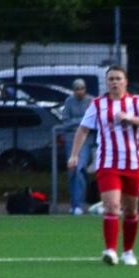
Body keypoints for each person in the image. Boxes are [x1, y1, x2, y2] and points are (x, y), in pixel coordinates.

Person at [66, 66, 139, 265]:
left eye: (118, 78)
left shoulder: (138, 102)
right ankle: (110, 250)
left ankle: (129, 252)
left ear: (126, 81)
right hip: (108, 163)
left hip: (133, 163)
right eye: (111, 79)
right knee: (112, 207)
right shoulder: (98, 104)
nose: (114, 82)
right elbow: (83, 129)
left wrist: (130, 118)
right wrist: (74, 155)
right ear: (106, 83)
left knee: (131, 210)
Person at [61, 79, 94, 214]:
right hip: (71, 140)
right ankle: (74, 203)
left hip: (86, 140)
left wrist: (78, 123)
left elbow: (92, 122)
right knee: (73, 171)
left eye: (81, 88)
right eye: (76, 89)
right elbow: (65, 122)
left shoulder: (91, 101)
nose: (79, 91)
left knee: (80, 168)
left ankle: (78, 205)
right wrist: (81, 121)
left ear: (85, 89)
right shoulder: (69, 102)